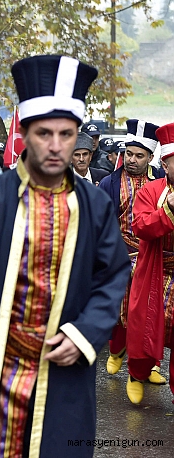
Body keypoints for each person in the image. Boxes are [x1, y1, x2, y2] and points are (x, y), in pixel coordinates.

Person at [0, 55, 129, 458]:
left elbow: (112, 276)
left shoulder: (94, 205)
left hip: (64, 370)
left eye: (66, 134)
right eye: (44, 133)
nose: (56, 146)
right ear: (24, 132)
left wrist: (84, 333)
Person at [98, 119, 166, 386]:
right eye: (129, 154)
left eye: (139, 156)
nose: (132, 160)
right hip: (119, 256)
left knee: (150, 313)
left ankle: (149, 366)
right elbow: (101, 223)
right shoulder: (109, 183)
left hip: (153, 258)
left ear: (150, 158)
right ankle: (117, 350)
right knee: (120, 308)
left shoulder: (162, 182)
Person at [124, 122, 174, 405]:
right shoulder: (151, 192)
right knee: (144, 329)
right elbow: (141, 226)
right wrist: (169, 208)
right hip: (155, 271)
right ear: (165, 166)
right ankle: (137, 373)